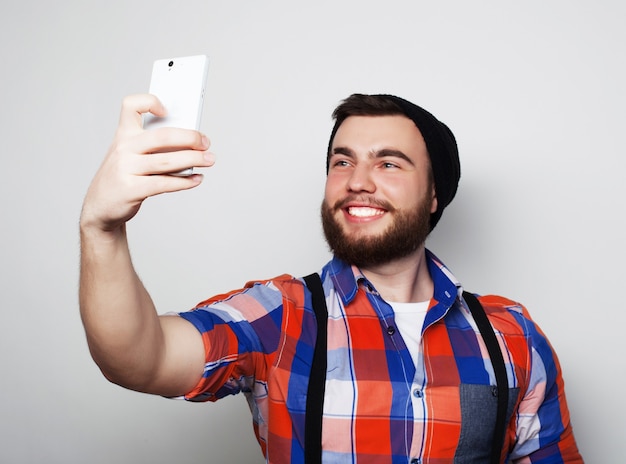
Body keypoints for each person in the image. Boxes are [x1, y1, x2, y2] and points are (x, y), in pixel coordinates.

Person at [79, 93, 583, 463]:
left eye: (389, 163)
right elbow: (141, 359)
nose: (357, 182)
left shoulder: (511, 336)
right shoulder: (282, 314)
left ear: (434, 195)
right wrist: (102, 228)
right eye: (342, 161)